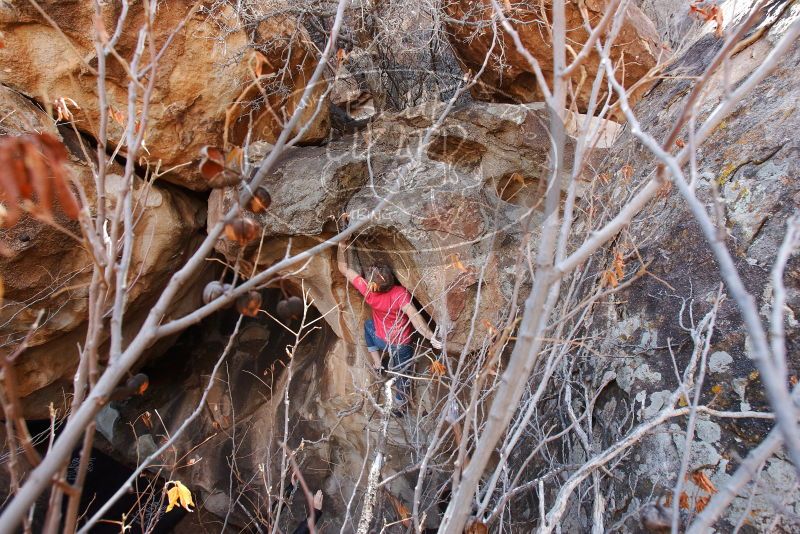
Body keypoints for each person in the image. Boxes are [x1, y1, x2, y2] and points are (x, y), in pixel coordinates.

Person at [337, 239, 442, 408]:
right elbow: (415, 318)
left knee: (368, 326)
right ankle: (400, 405)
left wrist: (342, 246)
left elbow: (343, 268)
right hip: (401, 345)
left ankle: (378, 363)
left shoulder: (368, 291)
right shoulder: (400, 293)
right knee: (403, 375)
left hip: (381, 339)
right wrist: (430, 337)